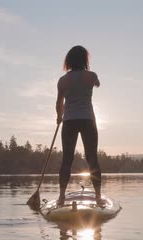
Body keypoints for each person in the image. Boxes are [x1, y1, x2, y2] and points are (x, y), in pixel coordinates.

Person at [56, 45, 102, 206]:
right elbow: (97, 84)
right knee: (92, 159)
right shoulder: (91, 76)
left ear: (68, 61)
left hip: (69, 121)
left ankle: (61, 197)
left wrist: (58, 116)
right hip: (88, 120)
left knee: (66, 160)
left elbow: (59, 102)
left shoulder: (63, 80)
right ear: (85, 60)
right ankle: (98, 196)